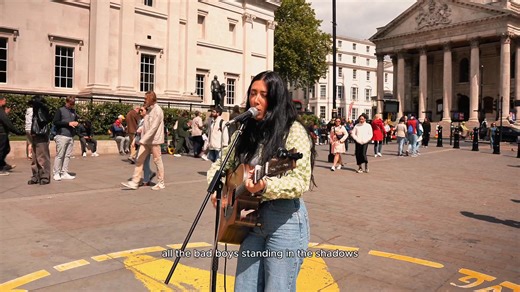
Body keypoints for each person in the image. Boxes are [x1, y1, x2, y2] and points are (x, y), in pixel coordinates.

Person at [207, 71, 315, 291]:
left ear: (275, 99)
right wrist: (216, 189)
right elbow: (220, 164)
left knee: (278, 287)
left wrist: (266, 185)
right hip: (249, 219)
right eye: (253, 93)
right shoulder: (245, 130)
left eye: (263, 95)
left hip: (284, 222)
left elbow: (300, 181)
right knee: (244, 286)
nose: (255, 100)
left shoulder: (293, 131)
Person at [121, 91, 165, 191]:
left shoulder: (158, 110)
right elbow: (145, 125)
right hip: (146, 141)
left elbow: (154, 128)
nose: (144, 100)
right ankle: (135, 182)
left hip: (154, 141)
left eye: (146, 98)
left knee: (157, 161)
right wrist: (141, 136)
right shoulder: (149, 110)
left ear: (150, 98)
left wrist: (142, 140)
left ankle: (161, 182)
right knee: (139, 159)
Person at [52, 96, 79, 181]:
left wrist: (76, 123)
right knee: (60, 155)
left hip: (70, 135)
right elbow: (55, 122)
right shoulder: (60, 110)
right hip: (62, 135)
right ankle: (56, 172)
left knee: (67, 155)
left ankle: (64, 172)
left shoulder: (73, 111)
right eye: (71, 104)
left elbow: (74, 120)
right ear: (67, 102)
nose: (72, 106)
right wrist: (68, 124)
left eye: (73, 104)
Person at [28, 95, 52, 185]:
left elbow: (43, 120)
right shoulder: (35, 110)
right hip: (35, 135)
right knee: (34, 158)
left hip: (41, 135)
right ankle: (35, 175)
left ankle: (44, 176)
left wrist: (38, 104)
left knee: (42, 157)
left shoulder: (42, 109)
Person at [0, 96, 25, 176]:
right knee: (1, 151)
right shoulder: (0, 111)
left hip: (3, 133)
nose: (5, 102)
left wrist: (5, 113)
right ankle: (1, 168)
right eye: (4, 100)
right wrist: (17, 132)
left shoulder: (2, 111)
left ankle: (3, 165)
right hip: (1, 133)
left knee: (6, 149)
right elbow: (7, 122)